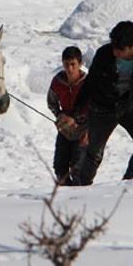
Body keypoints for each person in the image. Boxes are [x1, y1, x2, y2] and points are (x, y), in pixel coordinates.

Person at [64, 21, 133, 184]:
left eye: (121, 49)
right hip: (101, 109)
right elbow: (89, 85)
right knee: (94, 155)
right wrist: (74, 114)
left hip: (127, 105)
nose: (115, 52)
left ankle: (128, 182)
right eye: (114, 47)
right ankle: (81, 188)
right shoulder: (103, 54)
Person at [47, 46, 89, 185]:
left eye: (73, 64)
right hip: (64, 130)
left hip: (83, 129)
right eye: (66, 64)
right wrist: (59, 115)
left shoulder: (88, 82)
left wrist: (87, 129)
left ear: (80, 64)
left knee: (78, 170)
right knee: (60, 169)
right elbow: (51, 102)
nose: (70, 69)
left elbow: (94, 107)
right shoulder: (58, 81)